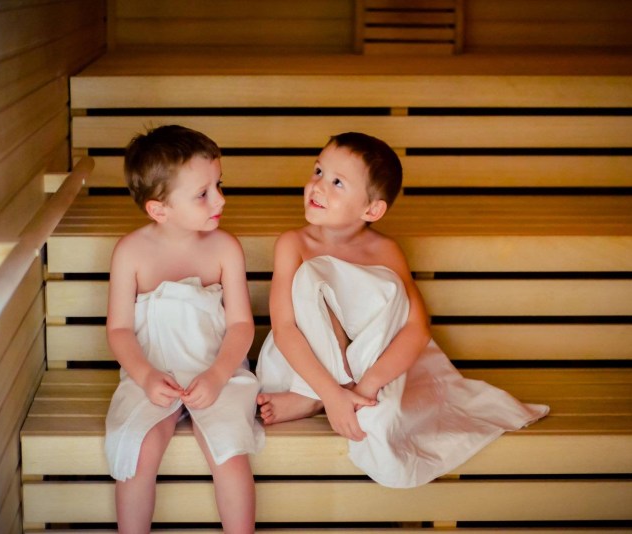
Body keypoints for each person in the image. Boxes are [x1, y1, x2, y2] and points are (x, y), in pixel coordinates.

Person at [256, 132, 548, 488]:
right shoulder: (294, 244)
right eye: (318, 171)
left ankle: (329, 398)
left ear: (371, 210)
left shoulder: (386, 251)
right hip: (299, 366)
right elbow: (285, 327)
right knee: (311, 277)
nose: (317, 186)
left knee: (394, 294)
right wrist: (333, 397)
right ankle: (316, 395)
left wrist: (370, 384)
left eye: (336, 182)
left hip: (366, 369)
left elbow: (415, 329)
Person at [104, 125, 263, 533]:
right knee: (139, 450)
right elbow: (119, 329)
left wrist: (217, 374)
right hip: (152, 373)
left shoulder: (225, 248)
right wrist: (145, 375)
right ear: (159, 209)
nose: (221, 199)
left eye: (219, 185)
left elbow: (242, 324)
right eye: (203, 193)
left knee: (228, 451)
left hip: (217, 371)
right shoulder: (131, 252)